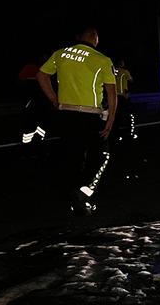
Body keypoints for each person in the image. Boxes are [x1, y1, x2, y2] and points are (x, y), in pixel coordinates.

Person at [37, 27, 117, 216]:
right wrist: (111, 118)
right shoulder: (102, 59)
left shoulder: (61, 54)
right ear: (94, 38)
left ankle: (72, 200)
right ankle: (83, 192)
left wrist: (54, 99)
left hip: (65, 114)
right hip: (89, 116)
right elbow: (112, 92)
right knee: (101, 156)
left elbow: (41, 75)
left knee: (72, 157)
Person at [113, 58, 135, 142]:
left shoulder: (113, 71)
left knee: (117, 115)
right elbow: (131, 81)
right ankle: (130, 131)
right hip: (123, 96)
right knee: (129, 113)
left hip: (114, 96)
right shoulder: (125, 71)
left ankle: (116, 134)